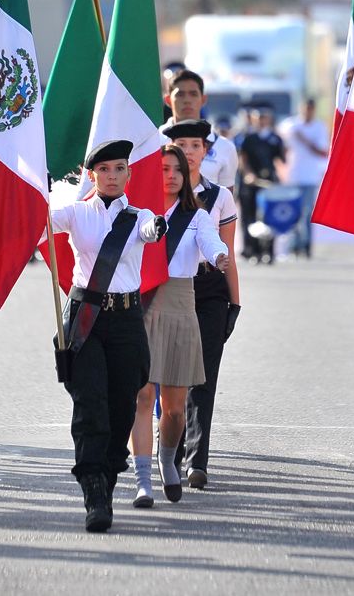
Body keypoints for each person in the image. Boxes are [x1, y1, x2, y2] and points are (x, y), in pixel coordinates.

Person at [51, 139, 166, 532]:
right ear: (92, 175)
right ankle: (94, 489)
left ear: (129, 174)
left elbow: (152, 231)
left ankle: (108, 471)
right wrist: (36, 189)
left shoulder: (139, 216)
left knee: (122, 406)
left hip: (126, 319)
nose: (112, 176)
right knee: (90, 405)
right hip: (85, 317)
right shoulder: (77, 213)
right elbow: (41, 220)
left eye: (119, 169)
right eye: (104, 170)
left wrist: (157, 226)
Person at [131, 144, 230, 508]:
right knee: (142, 397)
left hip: (180, 308)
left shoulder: (197, 216)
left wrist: (220, 255)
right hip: (143, 307)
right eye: (162, 169)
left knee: (173, 409)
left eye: (176, 169)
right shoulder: (138, 212)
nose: (170, 175)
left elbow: (211, 241)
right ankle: (143, 478)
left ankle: (166, 456)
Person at [164, 119, 243, 491]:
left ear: (204, 151)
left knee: (204, 377)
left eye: (195, 145)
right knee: (168, 377)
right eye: (181, 144)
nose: (189, 152)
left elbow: (227, 251)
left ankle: (198, 460)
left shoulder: (219, 197)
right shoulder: (157, 192)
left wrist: (235, 302)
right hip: (169, 288)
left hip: (210, 290)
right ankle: (169, 455)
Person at [165, 69, 238, 189]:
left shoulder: (225, 147)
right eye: (180, 94)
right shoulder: (154, 141)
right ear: (168, 100)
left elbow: (226, 202)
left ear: (203, 99)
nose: (187, 100)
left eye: (193, 94)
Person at [279, 98, 328, 258]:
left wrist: (304, 140)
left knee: (307, 212)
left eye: (309, 109)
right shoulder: (290, 125)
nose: (307, 112)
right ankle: (295, 245)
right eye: (304, 109)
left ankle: (306, 245)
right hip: (293, 175)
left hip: (310, 176)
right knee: (294, 212)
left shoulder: (319, 127)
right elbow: (281, 146)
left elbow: (322, 152)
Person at [236, 104, 286, 262]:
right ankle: (252, 250)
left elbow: (281, 159)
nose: (262, 121)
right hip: (252, 183)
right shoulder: (248, 138)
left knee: (269, 217)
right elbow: (242, 158)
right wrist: (248, 174)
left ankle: (269, 252)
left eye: (265, 117)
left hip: (269, 182)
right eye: (259, 118)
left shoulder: (274, 138)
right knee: (250, 217)